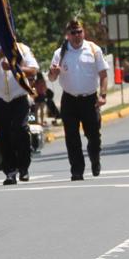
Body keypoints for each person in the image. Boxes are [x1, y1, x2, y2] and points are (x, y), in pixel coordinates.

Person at [49, 19, 108, 181]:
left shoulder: (93, 49)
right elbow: (51, 78)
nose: (77, 35)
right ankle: (77, 170)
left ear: (84, 32)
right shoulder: (60, 53)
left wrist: (103, 95)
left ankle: (95, 159)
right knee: (72, 137)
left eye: (79, 32)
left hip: (90, 99)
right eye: (73, 33)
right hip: (69, 99)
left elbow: (103, 75)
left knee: (94, 136)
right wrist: (53, 72)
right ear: (67, 35)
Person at [0, 38, 38, 185]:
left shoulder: (22, 49)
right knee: (2, 136)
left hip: (19, 97)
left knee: (21, 130)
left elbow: (33, 70)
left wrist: (14, 67)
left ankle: (23, 168)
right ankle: (10, 171)